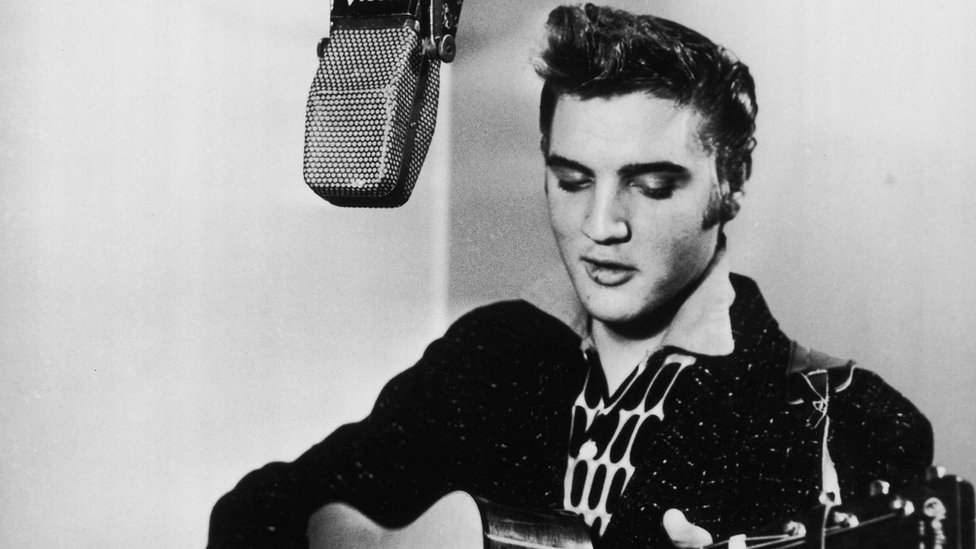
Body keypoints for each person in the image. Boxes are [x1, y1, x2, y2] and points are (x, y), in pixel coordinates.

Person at [208, 4, 932, 548]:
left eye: (650, 186)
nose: (601, 225)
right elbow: (248, 517)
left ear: (731, 182)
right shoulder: (488, 354)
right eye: (573, 179)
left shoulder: (849, 418)